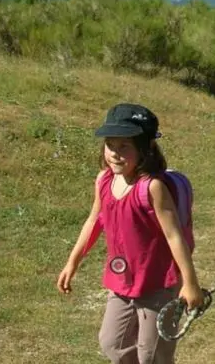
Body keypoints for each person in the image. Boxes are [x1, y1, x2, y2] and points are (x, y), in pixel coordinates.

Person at [57, 103, 205, 364]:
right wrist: (73, 262)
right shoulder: (104, 180)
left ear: (145, 148)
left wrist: (190, 283)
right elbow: (94, 220)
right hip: (122, 282)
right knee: (112, 342)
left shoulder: (152, 187)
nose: (114, 153)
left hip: (157, 284)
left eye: (124, 146)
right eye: (110, 144)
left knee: (152, 354)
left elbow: (174, 236)